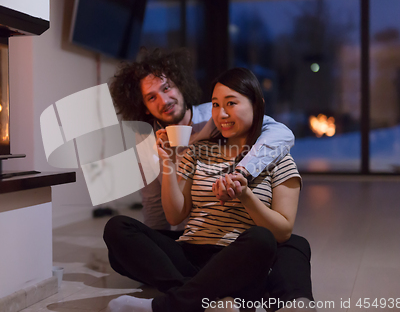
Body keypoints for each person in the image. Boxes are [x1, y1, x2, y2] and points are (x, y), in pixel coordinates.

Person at [105, 68, 315, 312]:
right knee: (118, 228)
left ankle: (172, 305)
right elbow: (174, 216)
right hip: (191, 251)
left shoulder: (277, 157)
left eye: (231, 103)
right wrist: (168, 163)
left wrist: (245, 195)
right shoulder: (198, 150)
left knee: (266, 239)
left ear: (257, 105)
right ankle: (209, 298)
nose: (221, 113)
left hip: (239, 256)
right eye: (215, 104)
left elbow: (283, 231)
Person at [109, 48, 294, 233]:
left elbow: (278, 131)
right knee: (119, 230)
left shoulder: (215, 116)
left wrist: (242, 172)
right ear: (145, 108)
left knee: (290, 246)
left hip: (231, 230)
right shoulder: (146, 140)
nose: (164, 101)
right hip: (188, 232)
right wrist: (155, 246)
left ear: (179, 85)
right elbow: (154, 204)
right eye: (152, 97)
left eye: (166, 88)